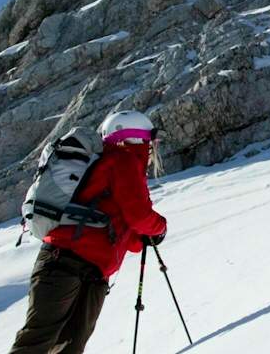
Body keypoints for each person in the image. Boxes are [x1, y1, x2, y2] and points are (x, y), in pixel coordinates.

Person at [9, 110, 169, 354]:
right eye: (149, 141)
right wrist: (160, 227)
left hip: (75, 267)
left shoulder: (111, 164)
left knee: (48, 342)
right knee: (45, 343)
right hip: (69, 264)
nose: (151, 149)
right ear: (135, 138)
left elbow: (128, 236)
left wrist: (143, 235)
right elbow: (139, 215)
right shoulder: (122, 161)